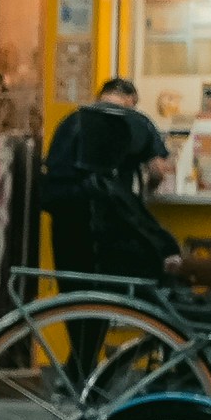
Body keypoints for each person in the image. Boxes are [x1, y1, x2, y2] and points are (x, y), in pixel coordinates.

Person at [40, 75, 177, 286]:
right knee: (109, 289)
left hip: (66, 221)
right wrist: (142, 199)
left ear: (100, 96)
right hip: (109, 226)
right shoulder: (137, 121)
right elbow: (158, 170)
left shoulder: (69, 121)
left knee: (74, 291)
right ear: (131, 99)